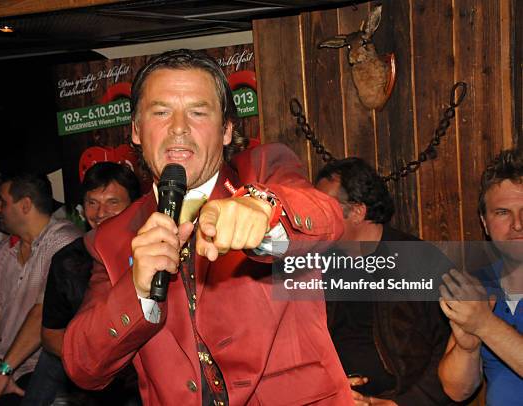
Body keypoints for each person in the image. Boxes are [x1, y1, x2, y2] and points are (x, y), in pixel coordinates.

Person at [62, 48, 352, 405]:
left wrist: (264, 213)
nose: (179, 128)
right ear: (136, 131)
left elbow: (327, 216)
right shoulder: (112, 237)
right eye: (161, 112)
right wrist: (135, 290)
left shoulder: (263, 171)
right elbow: (83, 366)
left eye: (198, 112)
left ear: (227, 130)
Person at [316, 158, 453, 406]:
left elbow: (452, 350)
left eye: (325, 209)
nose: (315, 217)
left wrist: (401, 403)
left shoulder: (421, 262)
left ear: (357, 211)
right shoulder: (318, 265)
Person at [22, 162, 141, 405]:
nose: (100, 213)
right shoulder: (67, 260)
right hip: (90, 380)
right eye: (92, 202)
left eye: (112, 202)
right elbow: (51, 335)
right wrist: (91, 358)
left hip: (146, 379)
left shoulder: (153, 252)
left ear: (134, 205)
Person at [0, 173, 81, 406]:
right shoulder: (3, 251)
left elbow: (42, 313)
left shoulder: (63, 243)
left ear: (25, 205)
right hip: (5, 370)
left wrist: (4, 371)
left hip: (39, 371)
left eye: (2, 201)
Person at [438, 149, 523, 404]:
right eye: (502, 212)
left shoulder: (481, 314)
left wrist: (485, 325)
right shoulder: (479, 285)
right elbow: (457, 390)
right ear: (485, 224)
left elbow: (484, 324)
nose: (518, 224)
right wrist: (468, 346)